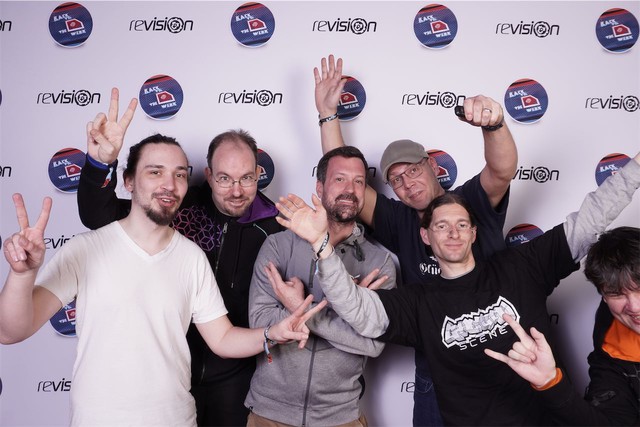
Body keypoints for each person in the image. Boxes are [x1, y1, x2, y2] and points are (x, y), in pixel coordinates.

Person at [269, 151, 640, 425]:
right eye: (441, 226)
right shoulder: (418, 303)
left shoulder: (522, 267)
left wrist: (636, 167)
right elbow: (355, 308)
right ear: (425, 237)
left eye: (462, 224)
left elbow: (590, 219)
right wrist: (321, 245)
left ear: (474, 233)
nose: (453, 233)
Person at [0, 135, 326, 426]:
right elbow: (10, 331)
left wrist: (273, 333)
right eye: (155, 172)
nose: (169, 184)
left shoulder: (192, 257)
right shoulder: (85, 250)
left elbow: (223, 339)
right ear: (128, 181)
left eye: (179, 174)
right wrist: (22, 275)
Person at [314, 54, 518, 425]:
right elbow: (342, 178)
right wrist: (328, 114)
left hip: (499, 363)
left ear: (432, 166)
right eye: (397, 180)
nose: (408, 183)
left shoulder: (468, 203)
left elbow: (502, 170)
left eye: (413, 170)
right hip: (436, 372)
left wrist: (494, 125)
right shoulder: (400, 221)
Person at [77, 88, 283, 426]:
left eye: (246, 179)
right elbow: (97, 215)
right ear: (208, 174)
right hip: (165, 372)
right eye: (224, 179)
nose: (236, 191)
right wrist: (100, 164)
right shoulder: (174, 204)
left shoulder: (276, 228)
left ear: (258, 174)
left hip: (235, 379)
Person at [244, 146, 397, 426]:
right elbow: (260, 321)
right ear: (320, 186)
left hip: (340, 416)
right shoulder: (278, 246)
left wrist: (298, 308)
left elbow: (373, 343)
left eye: (359, 181)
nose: (350, 189)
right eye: (340, 179)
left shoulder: (379, 263)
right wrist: (349, 317)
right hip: (269, 413)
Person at [486, 226, 640, 426]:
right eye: (617, 294)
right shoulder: (611, 356)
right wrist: (550, 383)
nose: (634, 307)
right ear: (603, 296)